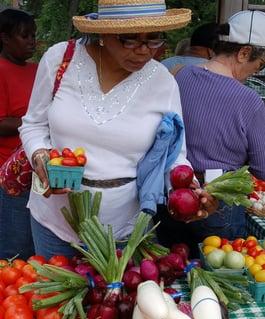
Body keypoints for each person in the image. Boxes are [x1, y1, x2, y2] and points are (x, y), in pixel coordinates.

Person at [19, 0, 217, 260]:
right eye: (130, 39)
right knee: (53, 299)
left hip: (126, 229)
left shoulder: (162, 82)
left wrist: (188, 191)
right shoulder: (60, 60)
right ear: (104, 33)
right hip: (56, 224)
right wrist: (40, 156)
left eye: (154, 38)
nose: (144, 51)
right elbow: (33, 124)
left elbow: (174, 156)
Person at [154, 10, 265, 257]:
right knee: (217, 277)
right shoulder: (250, 101)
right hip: (217, 201)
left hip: (173, 191)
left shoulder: (180, 75)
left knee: (171, 268)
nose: (255, 72)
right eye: (259, 65)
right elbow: (261, 167)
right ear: (244, 52)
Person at [0, 8, 37, 259]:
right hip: (11, 173)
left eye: (33, 35)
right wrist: (35, 122)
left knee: (34, 244)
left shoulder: (36, 69)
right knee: (15, 247)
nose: (32, 41)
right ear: (5, 38)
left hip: (39, 169)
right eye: (25, 36)